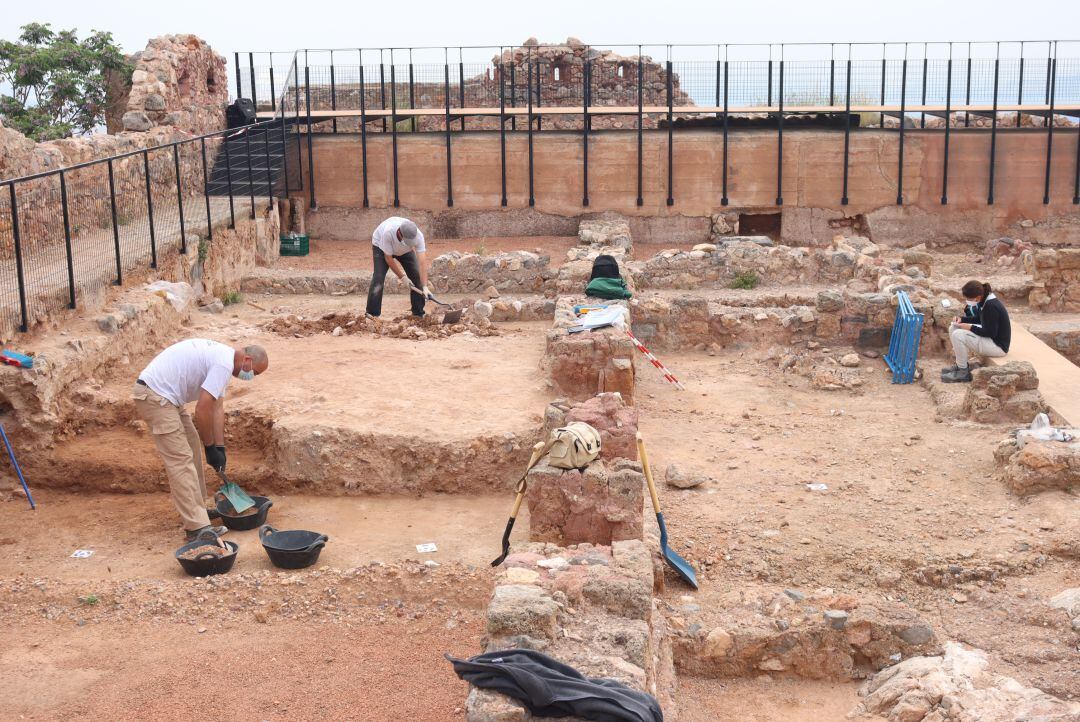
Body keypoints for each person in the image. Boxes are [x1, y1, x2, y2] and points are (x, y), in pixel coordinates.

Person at [132, 339, 269, 539]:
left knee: (192, 447)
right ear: (247, 360)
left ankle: (199, 510)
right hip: (154, 395)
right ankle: (196, 528)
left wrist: (219, 448)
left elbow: (216, 408)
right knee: (181, 460)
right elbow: (202, 409)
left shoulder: (224, 361)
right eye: (254, 372)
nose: (251, 377)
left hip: (168, 398)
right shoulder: (223, 363)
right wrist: (210, 446)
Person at [942, 280, 1011, 383]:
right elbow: (979, 319)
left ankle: (963, 372)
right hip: (991, 340)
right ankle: (960, 365)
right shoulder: (984, 300)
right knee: (953, 328)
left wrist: (970, 327)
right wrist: (962, 319)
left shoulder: (991, 306)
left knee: (958, 335)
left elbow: (990, 332)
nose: (967, 301)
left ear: (977, 297)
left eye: (968, 299)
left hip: (998, 347)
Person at [366, 216, 430, 318]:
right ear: (400, 233)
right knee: (378, 278)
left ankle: (418, 314)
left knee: (416, 276)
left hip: (405, 251)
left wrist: (425, 286)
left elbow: (422, 262)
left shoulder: (418, 236)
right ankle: (372, 314)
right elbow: (388, 258)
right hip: (381, 246)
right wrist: (402, 277)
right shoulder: (388, 233)